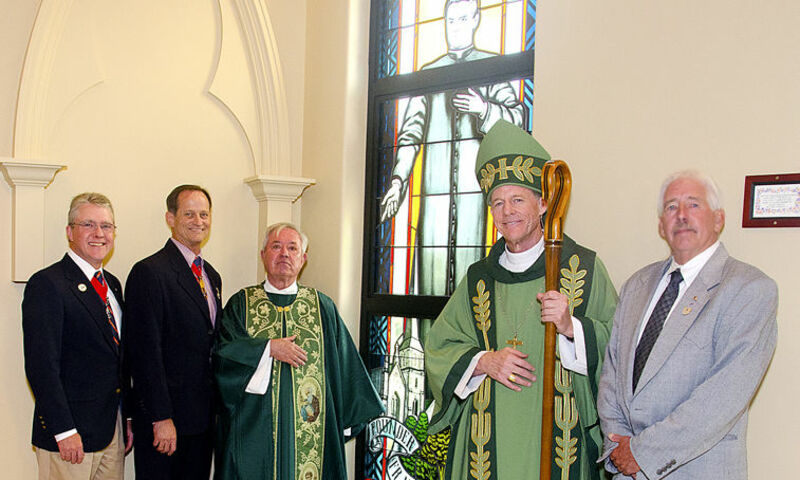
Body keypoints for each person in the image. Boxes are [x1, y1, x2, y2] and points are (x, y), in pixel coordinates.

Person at [425, 120, 618, 479]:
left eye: (517, 200)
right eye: (497, 203)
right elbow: (440, 346)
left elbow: (620, 351)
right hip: (483, 441)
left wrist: (571, 327)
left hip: (561, 437)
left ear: (543, 203)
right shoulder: (478, 279)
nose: (506, 212)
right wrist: (484, 361)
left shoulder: (583, 270)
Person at [597, 171, 778, 479]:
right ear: (660, 226)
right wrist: (619, 446)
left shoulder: (750, 289)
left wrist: (641, 452)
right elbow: (612, 375)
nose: (681, 215)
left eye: (693, 205)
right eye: (671, 207)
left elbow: (722, 397)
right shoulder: (636, 285)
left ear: (718, 219)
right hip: (627, 471)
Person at [213, 222, 384, 480]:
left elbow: (346, 367)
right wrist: (268, 348)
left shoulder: (323, 307)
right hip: (253, 432)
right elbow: (223, 357)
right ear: (263, 255)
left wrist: (347, 417)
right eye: (276, 247)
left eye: (292, 248)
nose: (284, 254)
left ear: (303, 259)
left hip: (311, 433)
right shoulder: (242, 304)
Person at [379, 0, 525, 295]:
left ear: (475, 21)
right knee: (429, 274)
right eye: (450, 21)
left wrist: (484, 109)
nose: (455, 28)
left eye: (461, 20)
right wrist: (398, 180)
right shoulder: (430, 73)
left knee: (473, 278)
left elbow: (517, 119)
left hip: (475, 197)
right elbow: (409, 133)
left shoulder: (492, 67)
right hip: (434, 195)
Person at [23, 192, 132, 479]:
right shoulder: (48, 284)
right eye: (89, 225)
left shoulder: (113, 286)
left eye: (107, 226)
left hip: (111, 431)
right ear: (70, 232)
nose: (99, 234)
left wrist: (127, 417)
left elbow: (118, 359)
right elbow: (41, 366)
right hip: (71, 438)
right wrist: (64, 430)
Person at [124, 185, 222, 479]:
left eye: (204, 214)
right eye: (189, 213)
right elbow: (144, 353)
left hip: (202, 420)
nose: (198, 221)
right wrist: (160, 417)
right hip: (167, 422)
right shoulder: (150, 272)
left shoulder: (211, 275)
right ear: (170, 218)